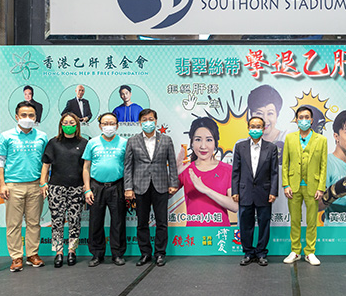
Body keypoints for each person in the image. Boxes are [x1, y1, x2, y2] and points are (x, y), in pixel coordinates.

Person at [0, 101, 48, 272]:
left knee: (34, 223)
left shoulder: (42, 136)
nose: (27, 118)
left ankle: (32, 254)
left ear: (36, 117)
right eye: (24, 115)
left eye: (31, 115)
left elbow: (46, 163)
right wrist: (2, 184)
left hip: (35, 185)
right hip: (12, 186)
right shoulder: (6, 136)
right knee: (13, 224)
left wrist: (44, 182)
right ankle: (16, 257)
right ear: (17, 117)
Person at [124, 109, 178, 267]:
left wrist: (173, 183)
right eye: (144, 120)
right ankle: (145, 253)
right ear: (140, 123)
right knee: (142, 223)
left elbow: (172, 164)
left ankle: (160, 253)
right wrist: (128, 187)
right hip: (140, 186)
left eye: (151, 119)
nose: (148, 122)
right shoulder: (132, 141)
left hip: (161, 186)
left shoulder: (166, 140)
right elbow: (128, 166)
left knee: (162, 222)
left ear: (156, 121)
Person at [40, 113, 88, 267]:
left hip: (77, 188)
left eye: (71, 122)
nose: (68, 125)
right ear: (61, 125)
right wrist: (43, 183)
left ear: (77, 125)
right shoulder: (53, 143)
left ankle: (72, 251)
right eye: (65, 122)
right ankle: (59, 252)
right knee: (57, 220)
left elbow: (86, 167)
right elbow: (46, 165)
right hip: (56, 187)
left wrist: (86, 186)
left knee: (75, 220)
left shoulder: (84, 143)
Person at [282, 106, 327, 266]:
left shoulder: (321, 140)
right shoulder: (290, 138)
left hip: (313, 187)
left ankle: (310, 252)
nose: (304, 120)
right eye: (300, 117)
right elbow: (285, 164)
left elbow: (323, 166)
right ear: (296, 120)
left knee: (311, 221)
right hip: (293, 186)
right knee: (295, 220)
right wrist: (286, 184)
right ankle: (295, 251)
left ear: (312, 120)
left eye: (307, 117)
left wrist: (321, 187)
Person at [231, 116, 279, 266]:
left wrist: (273, 192)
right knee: (246, 224)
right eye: (253, 126)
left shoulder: (271, 148)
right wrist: (235, 191)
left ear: (263, 129)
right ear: (248, 128)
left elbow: (274, 173)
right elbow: (235, 171)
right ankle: (248, 252)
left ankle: (261, 253)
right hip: (244, 192)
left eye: (258, 127)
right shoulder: (240, 147)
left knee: (264, 224)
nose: (255, 129)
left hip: (264, 192)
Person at [82, 112, 128, 267]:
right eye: (105, 123)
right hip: (96, 186)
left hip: (117, 186)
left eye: (112, 123)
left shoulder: (124, 143)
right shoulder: (92, 143)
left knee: (118, 222)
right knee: (95, 221)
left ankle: (117, 254)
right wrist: (87, 189)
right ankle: (97, 254)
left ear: (117, 125)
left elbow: (129, 167)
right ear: (100, 125)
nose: (109, 126)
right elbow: (86, 167)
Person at [178, 117, 238, 226]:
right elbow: (163, 196)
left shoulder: (228, 170)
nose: (203, 146)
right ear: (191, 142)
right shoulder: (185, 169)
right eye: (198, 139)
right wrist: (173, 174)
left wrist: (207, 190)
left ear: (215, 143)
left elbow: (235, 206)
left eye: (209, 140)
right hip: (193, 232)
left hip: (220, 233)